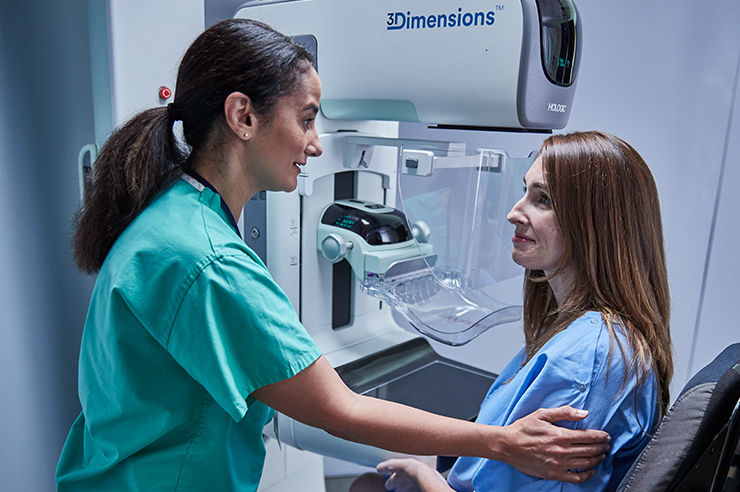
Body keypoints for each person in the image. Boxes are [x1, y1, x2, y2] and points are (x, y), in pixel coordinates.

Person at [55, 20, 611, 492]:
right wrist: (502, 443)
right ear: (243, 116)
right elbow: (337, 409)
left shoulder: (170, 215)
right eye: (306, 117)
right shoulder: (209, 261)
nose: (317, 143)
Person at [351, 131, 673, 492]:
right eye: (525, 192)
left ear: (594, 224)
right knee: (368, 483)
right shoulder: (585, 333)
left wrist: (427, 477)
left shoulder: (589, 357)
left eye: (543, 199)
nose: (513, 213)